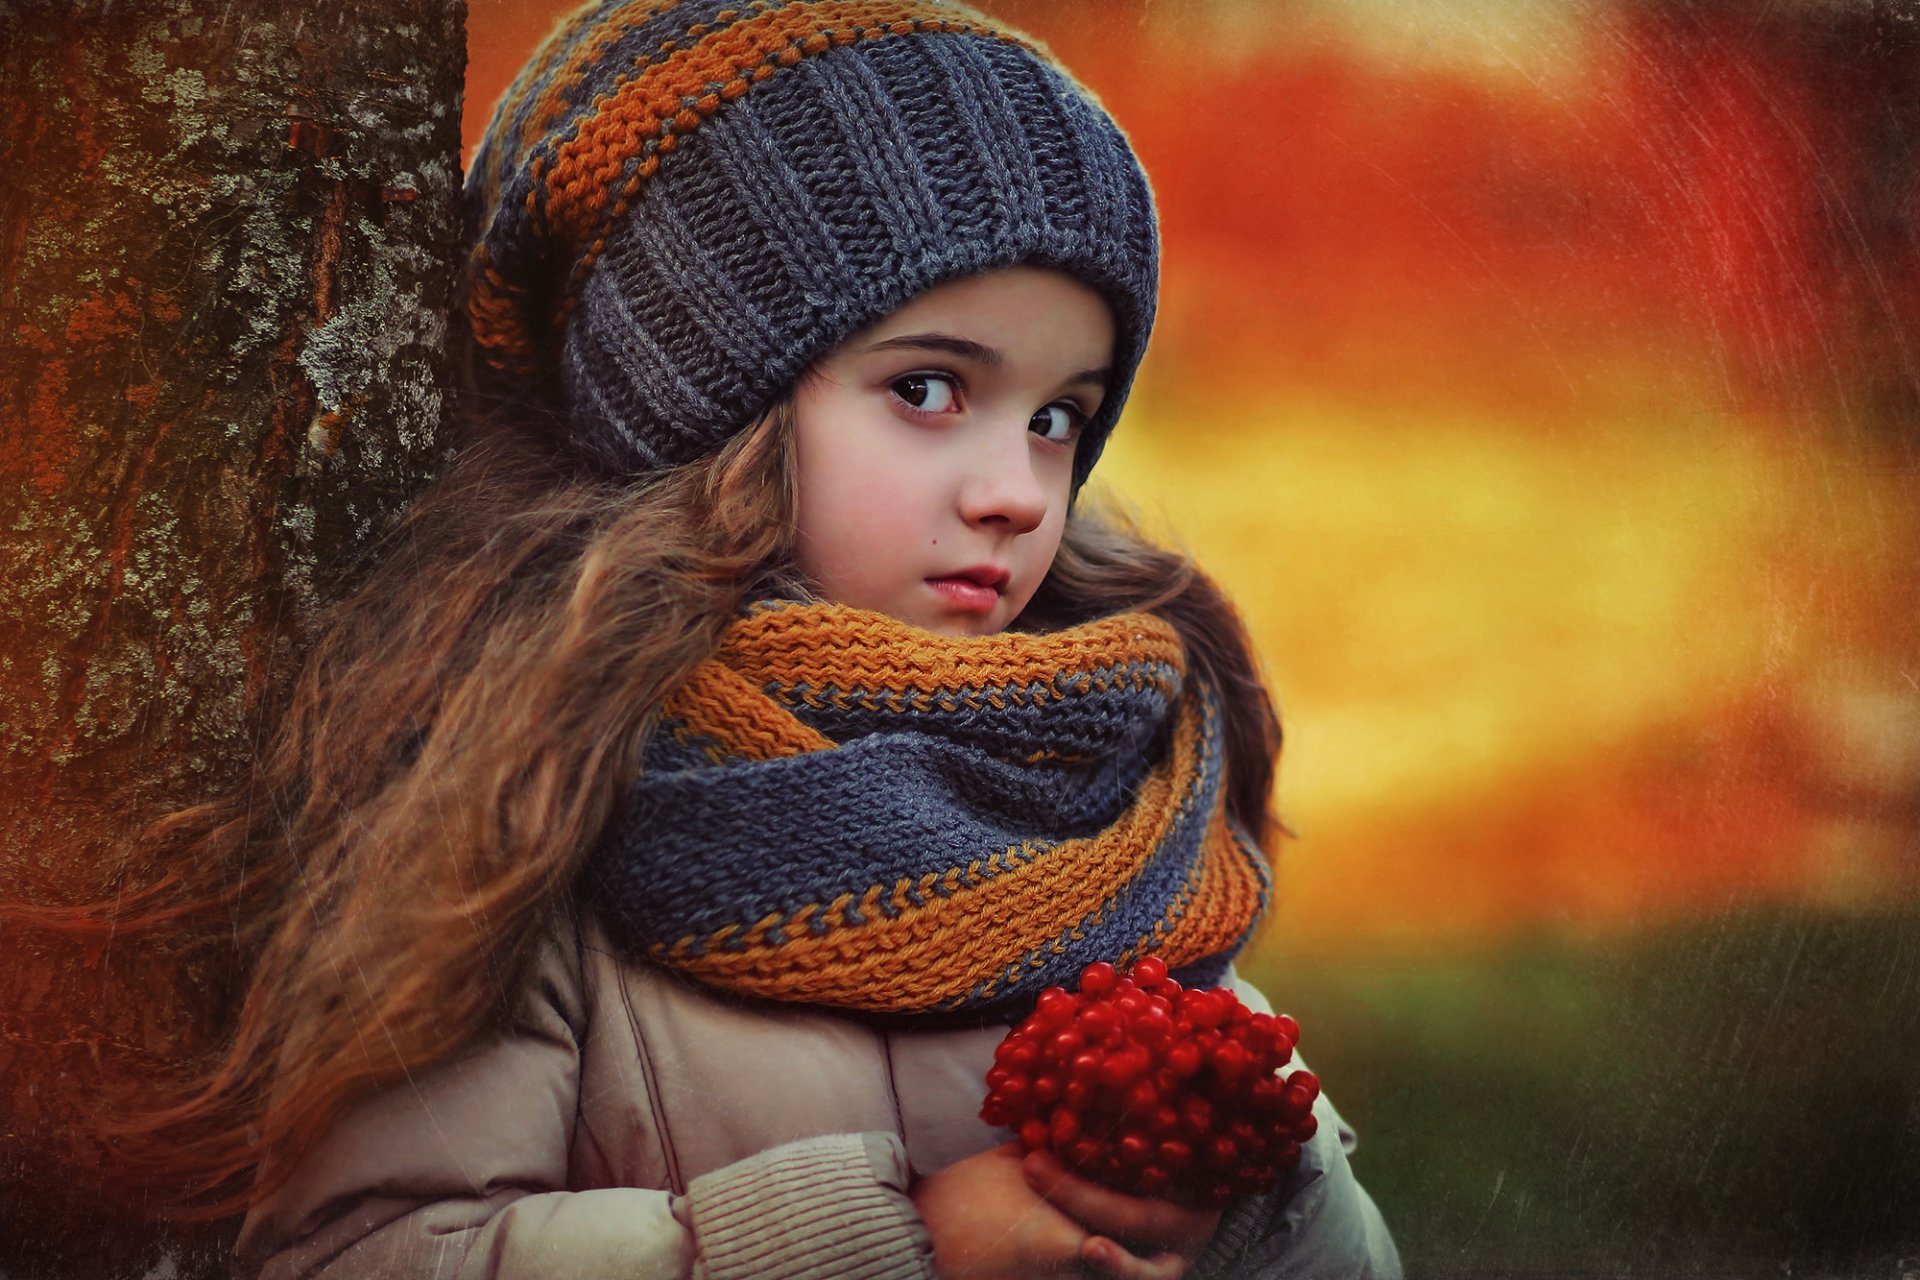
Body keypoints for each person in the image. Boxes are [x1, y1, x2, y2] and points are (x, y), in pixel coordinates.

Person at [94, 3, 1403, 1276]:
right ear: (698, 406)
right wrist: (896, 1242)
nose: (1017, 487)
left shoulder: (1112, 797)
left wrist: (1234, 1196)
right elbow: (361, 1254)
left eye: (1060, 415)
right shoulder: (525, 797)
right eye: (929, 389)